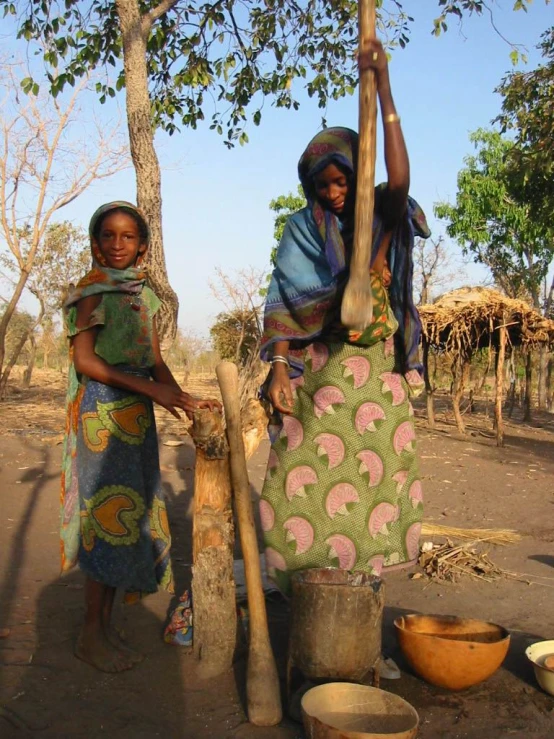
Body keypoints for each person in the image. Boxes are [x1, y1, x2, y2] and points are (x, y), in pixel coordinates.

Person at [259, 38, 431, 597]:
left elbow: (400, 178)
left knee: (372, 497)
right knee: (297, 488)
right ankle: (308, 602)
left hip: (377, 381)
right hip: (320, 381)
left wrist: (383, 87)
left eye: (343, 180)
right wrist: (281, 370)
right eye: (323, 184)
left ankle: (360, 612)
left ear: (358, 175)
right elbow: (283, 309)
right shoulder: (301, 233)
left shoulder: (380, 213)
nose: (334, 193)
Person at [60, 201, 220, 673]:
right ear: (95, 243)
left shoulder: (144, 298)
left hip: (137, 418)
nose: (117, 244)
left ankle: (104, 630)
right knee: (104, 523)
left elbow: (153, 361)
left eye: (127, 237)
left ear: (143, 246)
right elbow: (85, 363)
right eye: (108, 236)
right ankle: (90, 635)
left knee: (126, 525)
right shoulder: (90, 293)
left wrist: (183, 399)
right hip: (102, 420)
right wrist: (153, 390)